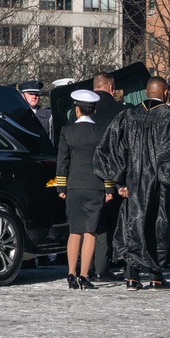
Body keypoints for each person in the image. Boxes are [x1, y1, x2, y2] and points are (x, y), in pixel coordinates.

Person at [95, 76, 170, 291]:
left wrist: (119, 182)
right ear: (166, 93)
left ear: (147, 93)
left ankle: (132, 277)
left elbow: (109, 150)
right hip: (159, 185)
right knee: (157, 226)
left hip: (133, 185)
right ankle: (156, 277)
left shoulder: (127, 115)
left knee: (132, 226)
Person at [55, 89, 107, 291]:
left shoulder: (67, 131)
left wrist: (61, 186)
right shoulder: (101, 131)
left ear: (77, 110)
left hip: (74, 185)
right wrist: (109, 187)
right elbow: (106, 162)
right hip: (95, 186)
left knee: (74, 231)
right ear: (93, 110)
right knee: (90, 233)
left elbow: (63, 161)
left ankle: (70, 273)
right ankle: (85, 275)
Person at [90, 72, 126, 279]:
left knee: (86, 225)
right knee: (107, 224)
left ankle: (85, 264)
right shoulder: (121, 111)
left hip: (84, 176)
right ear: (112, 89)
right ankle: (104, 265)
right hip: (112, 175)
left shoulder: (78, 112)